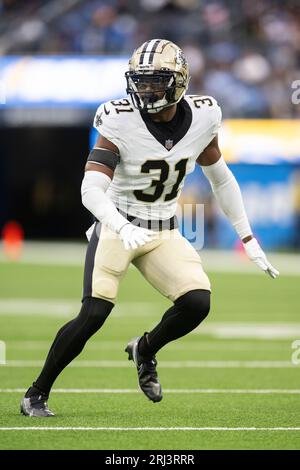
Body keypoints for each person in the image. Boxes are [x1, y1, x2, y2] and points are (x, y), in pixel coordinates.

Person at [20, 39, 279, 417]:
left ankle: (145, 348)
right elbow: (90, 189)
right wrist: (119, 227)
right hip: (117, 225)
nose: (145, 90)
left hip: (164, 230)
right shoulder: (119, 118)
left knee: (196, 302)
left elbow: (220, 179)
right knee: (93, 313)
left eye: (155, 81)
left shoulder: (205, 115)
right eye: (140, 81)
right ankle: (36, 393)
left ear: (178, 80)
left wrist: (248, 237)